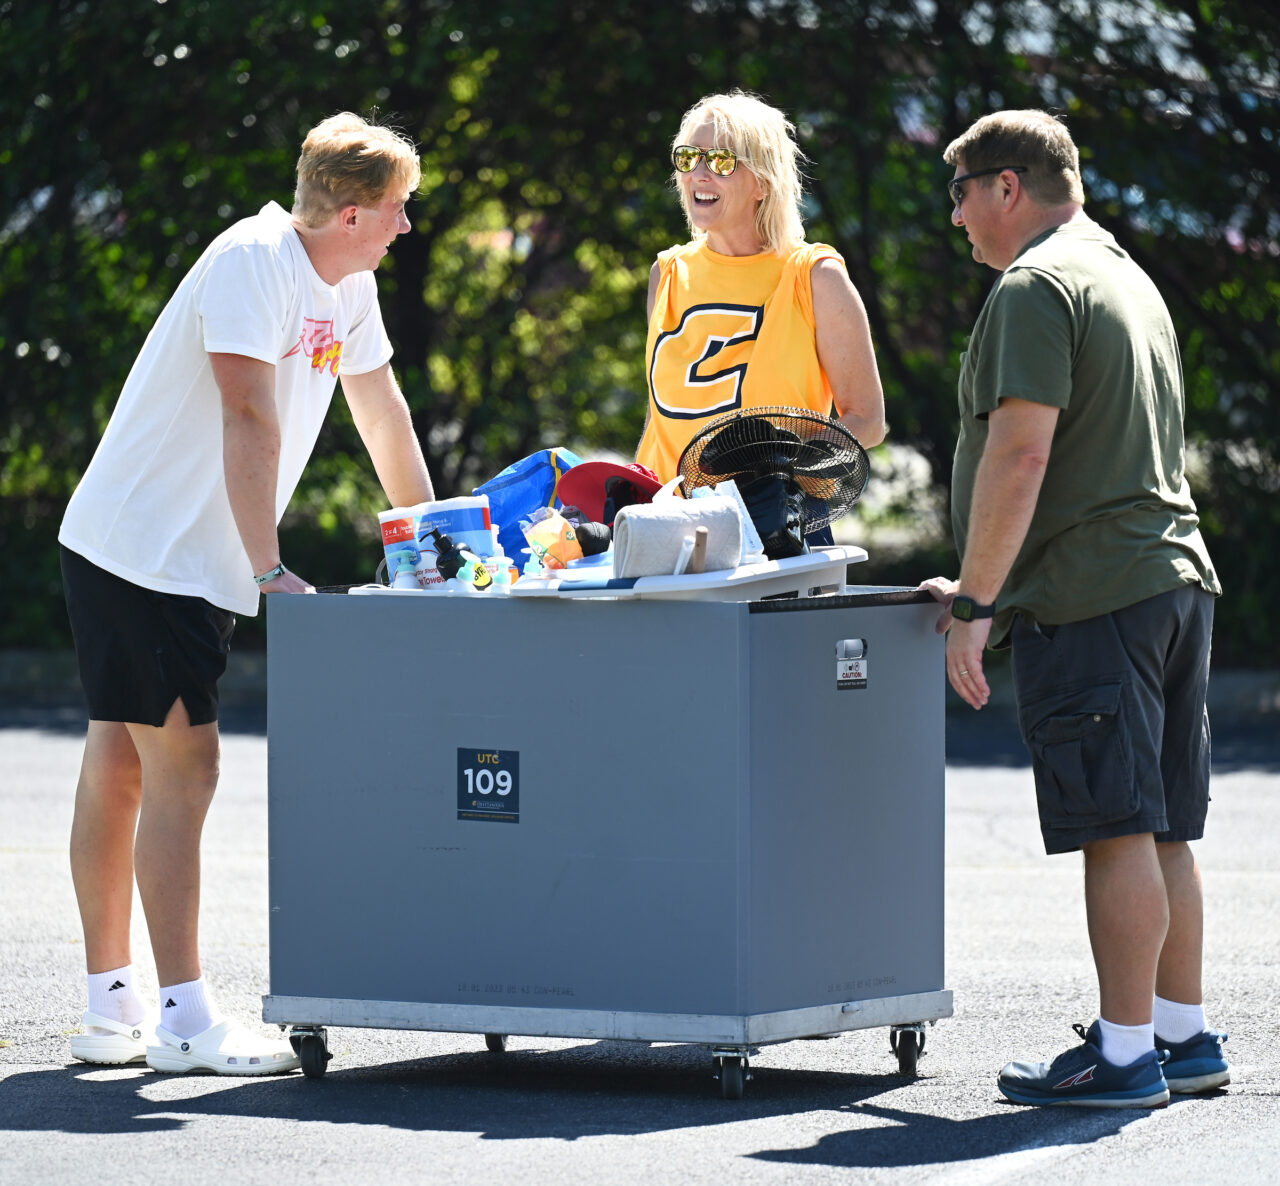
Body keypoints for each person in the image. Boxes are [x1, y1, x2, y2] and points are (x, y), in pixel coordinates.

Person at [57, 111, 434, 1075]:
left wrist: (431, 546)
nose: (405, 226)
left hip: (174, 559)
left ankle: (110, 1008)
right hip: (146, 555)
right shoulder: (252, 261)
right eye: (398, 209)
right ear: (351, 213)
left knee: (123, 761)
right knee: (186, 770)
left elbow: (382, 410)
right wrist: (269, 569)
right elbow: (248, 413)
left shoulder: (349, 286)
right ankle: (183, 1021)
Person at [920, 110, 1228, 1107]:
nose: (956, 217)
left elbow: (1022, 454)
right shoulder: (1121, 274)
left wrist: (977, 601)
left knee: (1115, 827)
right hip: (1170, 582)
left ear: (1006, 187)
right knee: (1162, 826)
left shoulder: (1034, 285)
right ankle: (1181, 1037)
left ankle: (1125, 1055)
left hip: (1092, 596)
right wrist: (977, 580)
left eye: (961, 192)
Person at [635, 90, 885, 541]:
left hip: (777, 530)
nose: (700, 173)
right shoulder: (666, 273)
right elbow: (660, 421)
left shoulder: (814, 276)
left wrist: (781, 475)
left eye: (722, 161)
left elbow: (867, 419)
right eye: (689, 157)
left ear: (763, 183)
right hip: (670, 529)